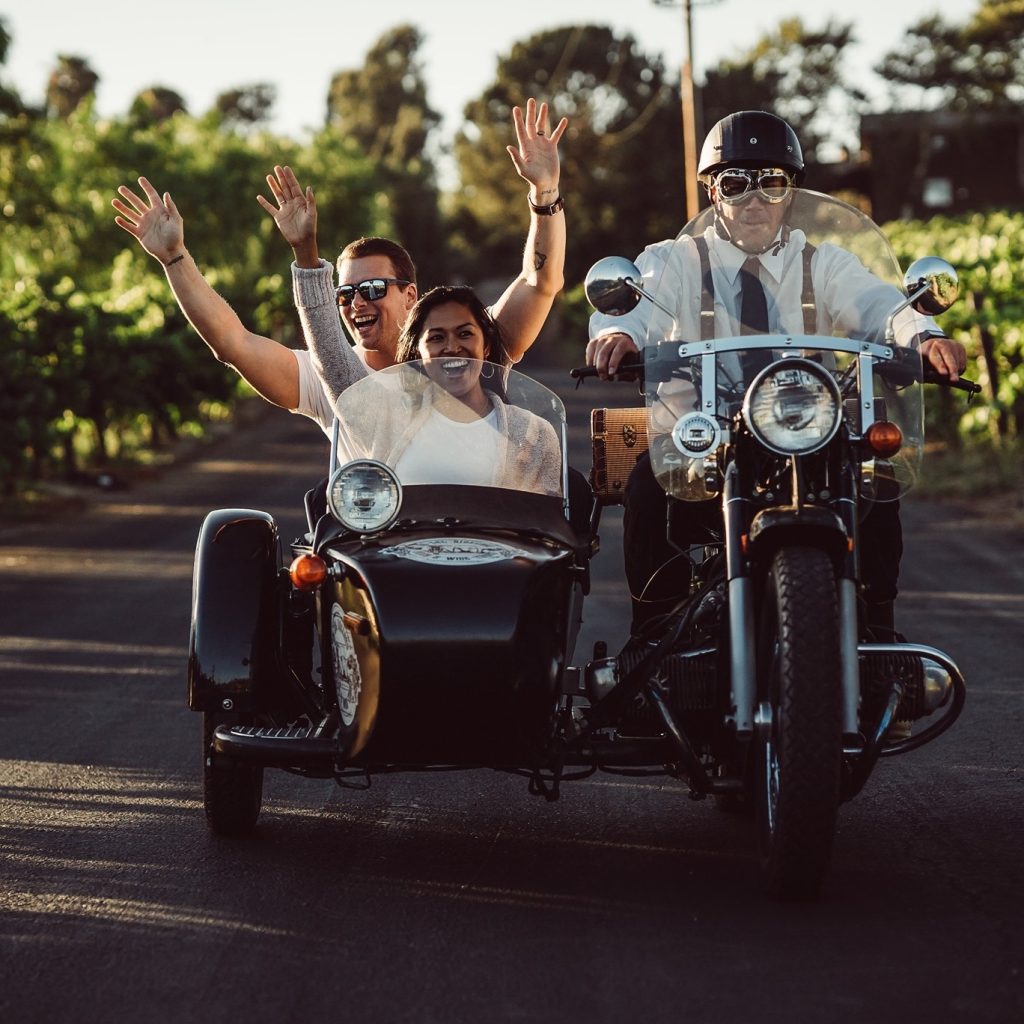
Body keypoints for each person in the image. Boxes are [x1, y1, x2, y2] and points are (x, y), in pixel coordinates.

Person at [586, 110, 968, 640]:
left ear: (791, 191)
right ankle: (652, 642)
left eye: (771, 182)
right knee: (649, 486)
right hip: (707, 437)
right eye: (735, 183)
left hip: (809, 434)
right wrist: (619, 334)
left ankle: (879, 638)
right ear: (712, 192)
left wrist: (922, 336)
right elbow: (638, 304)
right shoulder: (673, 260)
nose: (753, 199)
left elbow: (880, 305)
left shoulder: (825, 264)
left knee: (876, 485)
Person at [111, 97, 568, 437]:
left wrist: (544, 193)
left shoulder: (468, 351)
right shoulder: (328, 373)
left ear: (411, 295)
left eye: (371, 287)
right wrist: (174, 258)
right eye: (344, 294)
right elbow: (233, 342)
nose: (355, 302)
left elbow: (539, 280)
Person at [335, 285, 561, 496]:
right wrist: (306, 257)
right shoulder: (387, 418)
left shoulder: (532, 432)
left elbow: (549, 526)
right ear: (417, 355)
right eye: (436, 338)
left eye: (465, 334)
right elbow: (333, 364)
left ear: (486, 346)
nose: (452, 348)